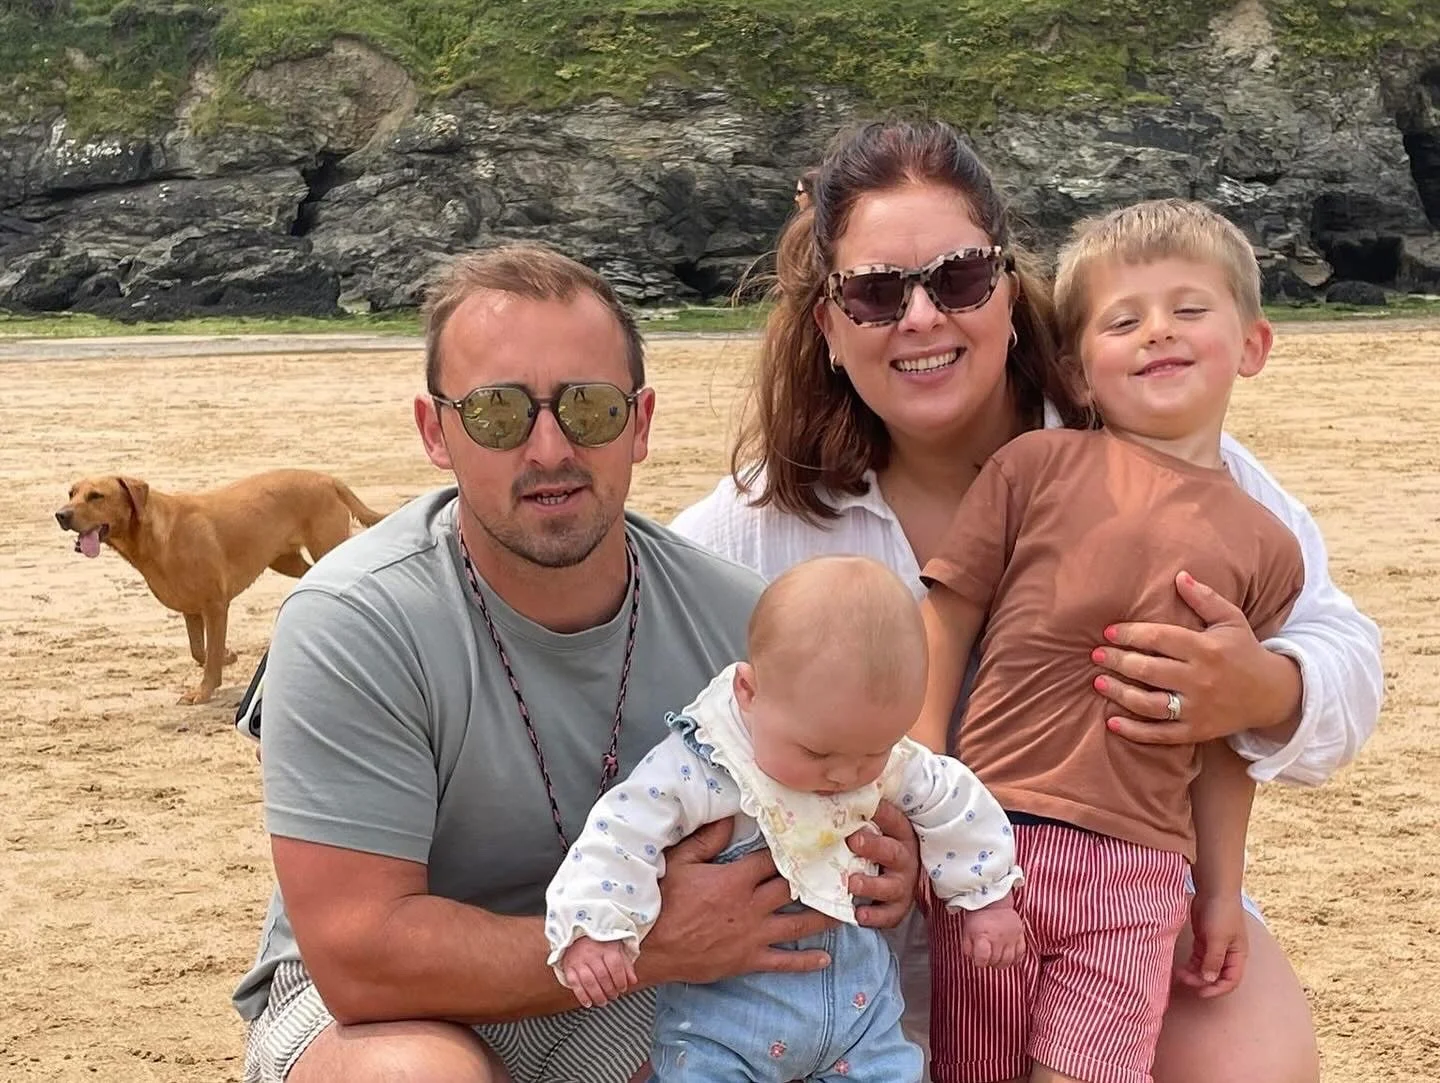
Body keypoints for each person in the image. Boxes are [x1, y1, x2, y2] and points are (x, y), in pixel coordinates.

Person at [670, 119, 1384, 1083]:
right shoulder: (755, 524)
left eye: (959, 277)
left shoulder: (1161, 460)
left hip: (1122, 916)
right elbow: (633, 667)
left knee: (1249, 1060)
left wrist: (1262, 690)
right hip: (855, 970)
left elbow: (1346, 660)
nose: (921, 317)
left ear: (1010, 296)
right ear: (829, 328)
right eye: (877, 293)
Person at [231, 242, 922, 1083]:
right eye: (497, 412)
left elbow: (854, 797)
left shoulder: (744, 622)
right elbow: (361, 956)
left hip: (646, 980)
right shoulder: (358, 620)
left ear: (640, 423)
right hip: (397, 1006)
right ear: (435, 430)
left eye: (589, 408)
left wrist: (885, 863)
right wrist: (657, 942)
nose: (550, 447)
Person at [913, 197, 1306, 1083]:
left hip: (1139, 872)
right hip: (990, 841)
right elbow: (945, 615)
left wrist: (1218, 891)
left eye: (1190, 309)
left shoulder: (1267, 542)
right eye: (1124, 319)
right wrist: (926, 779)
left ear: (1251, 344)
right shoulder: (1034, 468)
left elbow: (1226, 738)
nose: (1158, 332)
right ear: (1080, 374)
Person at [545, 554, 1025, 1081]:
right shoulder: (709, 761)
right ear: (750, 695)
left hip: (859, 1016)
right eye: (818, 755)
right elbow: (622, 830)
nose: (845, 775)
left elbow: (953, 799)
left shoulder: (879, 752)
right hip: (725, 1023)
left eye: (872, 754)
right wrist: (596, 925)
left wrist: (985, 896)